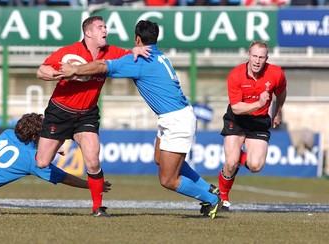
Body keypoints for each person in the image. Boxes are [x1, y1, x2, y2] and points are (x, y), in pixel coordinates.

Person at [59, 20, 223, 219]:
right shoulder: (158, 55)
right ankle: (209, 189)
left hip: (176, 120)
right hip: (174, 116)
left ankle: (211, 200)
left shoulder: (139, 61)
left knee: (168, 180)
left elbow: (102, 66)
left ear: (137, 39)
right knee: (158, 159)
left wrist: (75, 70)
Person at [35, 16, 149, 217]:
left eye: (105, 26)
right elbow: (41, 71)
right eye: (100, 27)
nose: (105, 29)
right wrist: (63, 74)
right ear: (88, 33)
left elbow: (129, 55)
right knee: (42, 162)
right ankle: (28, 144)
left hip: (86, 114)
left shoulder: (111, 52)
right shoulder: (70, 52)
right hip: (59, 111)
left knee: (93, 159)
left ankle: (98, 207)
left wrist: (136, 50)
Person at [0, 113, 111, 214]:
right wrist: (91, 185)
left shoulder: (7, 133)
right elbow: (62, 177)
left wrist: (53, 150)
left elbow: (28, 149)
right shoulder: (32, 161)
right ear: (34, 136)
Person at [218, 41, 287, 211]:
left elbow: (281, 92)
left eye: (261, 57)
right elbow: (236, 108)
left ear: (266, 59)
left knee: (256, 166)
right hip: (237, 119)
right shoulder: (235, 75)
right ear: (248, 55)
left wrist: (277, 111)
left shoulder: (276, 73)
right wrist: (259, 103)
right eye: (254, 56)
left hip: (259, 122)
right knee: (231, 162)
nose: (257, 61)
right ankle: (223, 197)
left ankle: (237, 157)